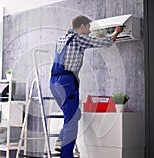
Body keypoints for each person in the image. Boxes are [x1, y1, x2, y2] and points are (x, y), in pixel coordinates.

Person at [49, 15, 123, 157]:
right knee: (71, 122)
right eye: (88, 27)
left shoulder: (61, 38)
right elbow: (107, 42)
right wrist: (116, 32)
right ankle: (66, 156)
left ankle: (60, 139)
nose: (89, 30)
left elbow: (90, 39)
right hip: (66, 82)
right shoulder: (79, 38)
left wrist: (97, 35)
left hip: (53, 83)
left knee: (74, 114)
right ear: (82, 26)